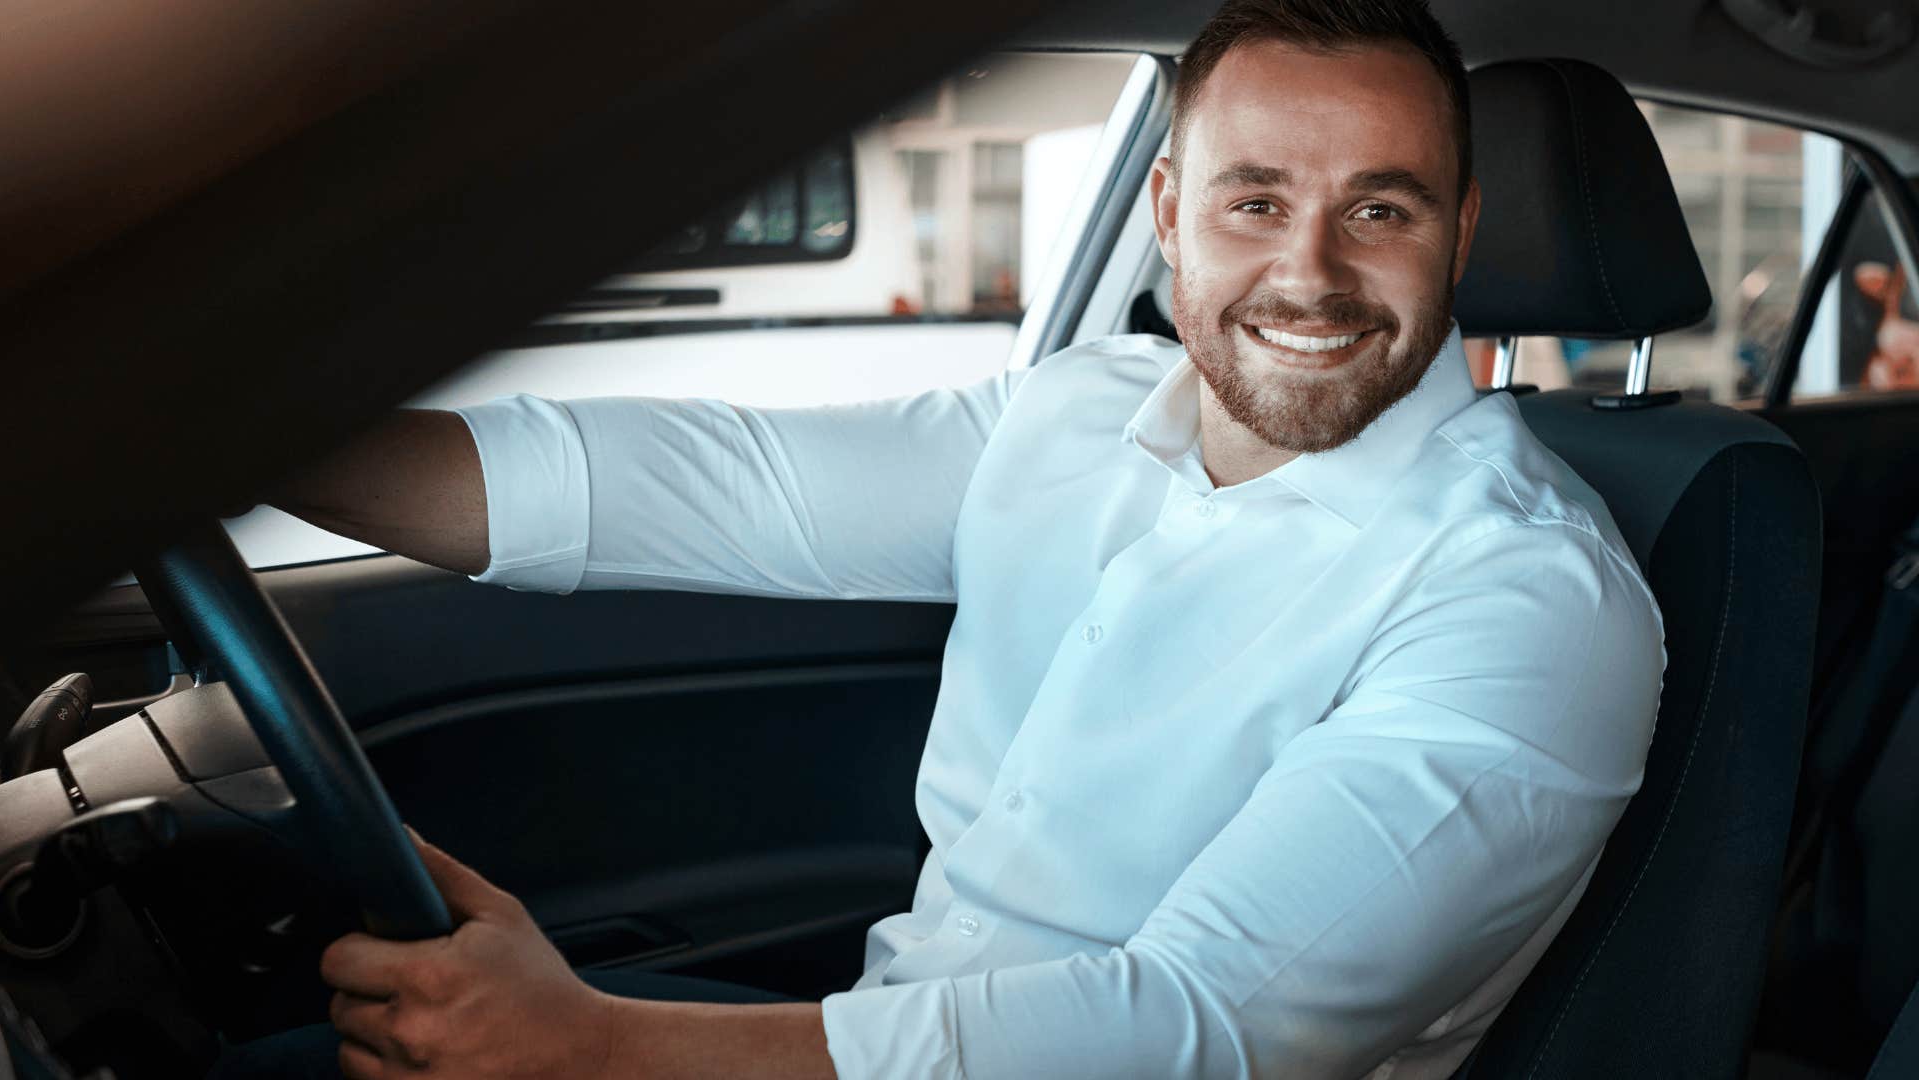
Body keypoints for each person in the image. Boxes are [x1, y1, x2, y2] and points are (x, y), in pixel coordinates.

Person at [212, 0, 1664, 1076]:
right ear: (1168, 213)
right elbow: (655, 480)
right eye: (1256, 199)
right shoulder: (1073, 417)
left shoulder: (1530, 595)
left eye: (1381, 209)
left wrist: (596, 1042)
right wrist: (197, 429)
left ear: (1460, 235)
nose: (1311, 270)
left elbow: (1201, 1030)